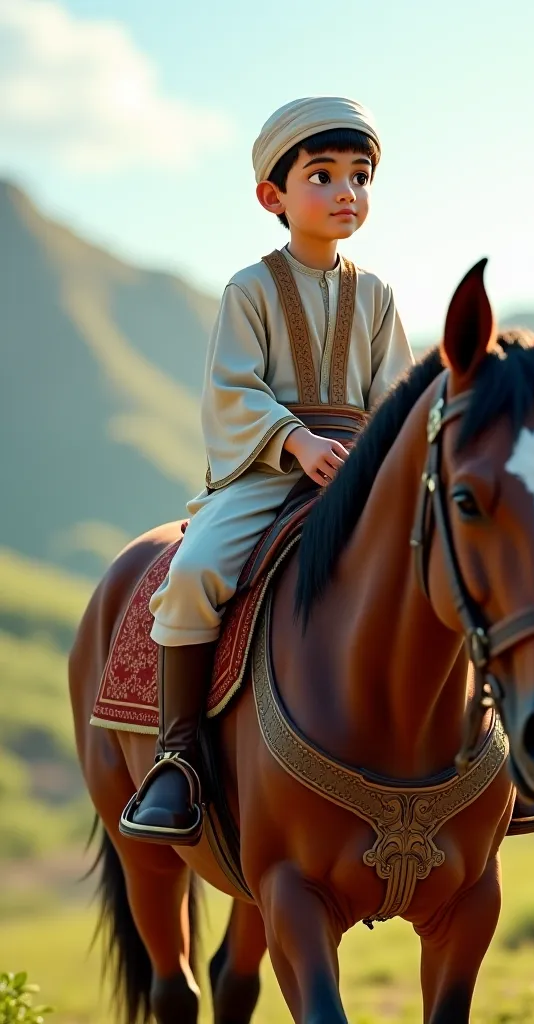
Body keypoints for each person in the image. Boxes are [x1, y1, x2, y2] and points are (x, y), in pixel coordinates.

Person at [119, 96, 414, 845]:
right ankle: (179, 759)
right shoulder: (249, 291)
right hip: (265, 472)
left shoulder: (377, 295)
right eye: (323, 175)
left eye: (361, 176)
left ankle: (488, 743)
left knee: (451, 557)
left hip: (363, 470)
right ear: (272, 197)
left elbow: (396, 396)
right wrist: (295, 442)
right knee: (193, 578)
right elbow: (232, 391)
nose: (347, 192)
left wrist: (384, 452)